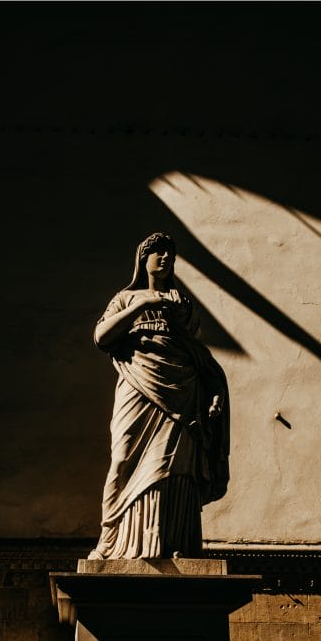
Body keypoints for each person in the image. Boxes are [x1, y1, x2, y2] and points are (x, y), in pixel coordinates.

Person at [88, 232, 230, 560]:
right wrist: (146, 303)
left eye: (170, 253)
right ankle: (111, 540)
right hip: (137, 389)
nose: (165, 258)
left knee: (175, 469)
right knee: (123, 458)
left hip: (183, 395)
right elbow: (101, 336)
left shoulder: (183, 305)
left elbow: (198, 355)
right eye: (158, 252)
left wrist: (215, 391)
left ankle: (173, 541)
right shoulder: (126, 299)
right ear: (143, 258)